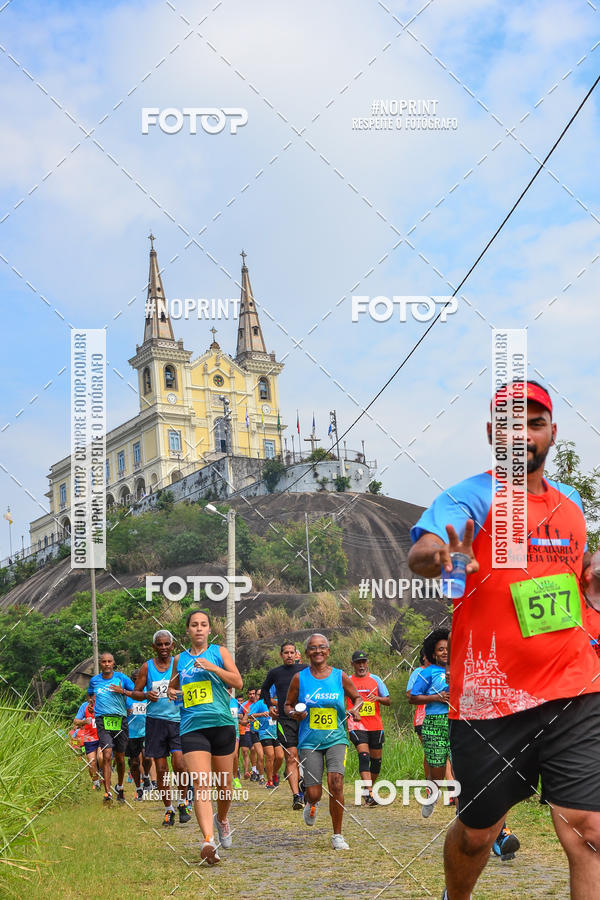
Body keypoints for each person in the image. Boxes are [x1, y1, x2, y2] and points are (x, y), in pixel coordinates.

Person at [408, 379, 600, 900]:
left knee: (589, 829)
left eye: (535, 423)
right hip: (492, 703)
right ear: (494, 433)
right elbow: (426, 548)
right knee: (478, 834)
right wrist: (440, 556)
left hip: (575, 688)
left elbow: (577, 573)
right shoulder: (470, 496)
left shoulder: (573, 503)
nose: (524, 434)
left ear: (552, 432)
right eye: (512, 424)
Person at [168, 609, 243, 865]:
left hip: (221, 724)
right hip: (192, 727)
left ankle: (221, 819)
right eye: (194, 625)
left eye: (203, 625)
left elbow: (238, 682)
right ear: (187, 630)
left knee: (225, 786)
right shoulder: (180, 660)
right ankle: (208, 841)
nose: (199, 629)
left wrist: (213, 667)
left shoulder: (219, 652)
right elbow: (173, 686)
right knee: (201, 783)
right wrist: (171, 692)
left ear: (210, 630)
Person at [285, 633, 363, 851]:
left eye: (322, 647)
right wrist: (293, 714)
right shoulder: (300, 679)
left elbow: (357, 698)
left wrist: (355, 710)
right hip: (309, 741)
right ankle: (311, 803)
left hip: (336, 738)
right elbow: (288, 705)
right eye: (312, 648)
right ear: (307, 653)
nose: (317, 651)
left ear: (328, 651)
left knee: (336, 783)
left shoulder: (340, 676)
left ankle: (337, 835)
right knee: (314, 792)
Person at [134, 631, 191, 825]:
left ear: (173, 645)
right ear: (154, 647)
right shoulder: (147, 667)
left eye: (167, 644)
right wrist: (145, 695)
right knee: (161, 769)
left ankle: (183, 801)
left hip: (178, 720)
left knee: (180, 764)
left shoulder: (180, 665)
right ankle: (169, 810)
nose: (164, 648)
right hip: (155, 721)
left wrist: (180, 693)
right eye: (160, 644)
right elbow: (135, 692)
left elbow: (191, 687)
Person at [88, 652, 142, 802]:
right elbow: (90, 694)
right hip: (102, 720)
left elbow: (135, 693)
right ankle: (107, 792)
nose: (106, 664)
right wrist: (91, 704)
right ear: (100, 663)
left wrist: (124, 694)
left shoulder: (121, 678)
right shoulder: (94, 681)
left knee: (119, 758)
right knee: (106, 754)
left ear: (113, 663)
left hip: (120, 719)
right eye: (103, 661)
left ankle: (120, 786)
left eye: (109, 661)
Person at [408, 629, 450, 818]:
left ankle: (464, 807)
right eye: (440, 649)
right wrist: (437, 697)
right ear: (433, 653)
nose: (445, 652)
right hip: (434, 723)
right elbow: (413, 698)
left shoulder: (461, 668)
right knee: (438, 768)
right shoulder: (428, 672)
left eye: (448, 648)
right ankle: (433, 795)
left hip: (458, 722)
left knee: (463, 767)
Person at [260, 641, 307, 809]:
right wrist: (270, 707)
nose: (289, 655)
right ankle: (296, 796)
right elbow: (264, 690)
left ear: (296, 655)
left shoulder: (305, 670)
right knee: (291, 756)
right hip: (285, 719)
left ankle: (305, 785)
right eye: (285, 652)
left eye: (291, 652)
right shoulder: (275, 673)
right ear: (281, 655)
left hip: (304, 718)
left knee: (307, 756)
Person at [346, 650, 390, 807]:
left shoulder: (376, 679)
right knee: (364, 756)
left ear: (367, 663)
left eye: (363, 662)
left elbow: (388, 700)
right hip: (356, 724)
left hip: (375, 725)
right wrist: (348, 711)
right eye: (358, 663)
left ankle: (366, 790)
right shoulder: (348, 680)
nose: (361, 665)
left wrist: (378, 698)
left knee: (376, 762)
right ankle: (371, 794)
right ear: (353, 664)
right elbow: (339, 701)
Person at [248, 691, 283, 789]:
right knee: (270, 756)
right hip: (264, 733)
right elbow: (250, 716)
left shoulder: (276, 702)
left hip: (276, 733)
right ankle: (270, 781)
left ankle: (273, 773)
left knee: (280, 757)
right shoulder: (260, 703)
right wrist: (261, 714)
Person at [406, 650, 429, 779]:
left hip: (443, 716)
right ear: (424, 656)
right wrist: (430, 696)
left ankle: (451, 791)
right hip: (423, 718)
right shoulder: (418, 672)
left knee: (445, 752)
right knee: (430, 751)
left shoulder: (442, 670)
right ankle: (431, 787)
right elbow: (409, 694)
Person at [73, 694, 103, 789]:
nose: (91, 698)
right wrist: (84, 722)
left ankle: (103, 772)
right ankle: (96, 783)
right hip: (89, 739)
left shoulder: (103, 705)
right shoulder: (84, 706)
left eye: (93, 695)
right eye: (89, 696)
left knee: (101, 757)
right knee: (91, 762)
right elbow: (76, 721)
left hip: (102, 737)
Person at [126, 690, 148, 801]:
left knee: (146, 756)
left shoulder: (147, 692)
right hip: (131, 734)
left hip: (146, 731)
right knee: (134, 763)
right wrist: (125, 711)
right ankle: (139, 789)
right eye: (134, 679)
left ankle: (147, 778)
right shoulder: (126, 696)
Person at [238, 688, 257, 779]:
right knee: (247, 751)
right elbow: (240, 717)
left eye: (253, 694)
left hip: (258, 730)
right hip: (247, 730)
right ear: (248, 695)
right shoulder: (244, 705)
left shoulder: (259, 703)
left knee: (255, 750)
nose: (252, 695)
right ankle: (248, 772)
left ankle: (255, 771)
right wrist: (247, 719)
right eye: (250, 694)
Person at [228, 689, 242, 790]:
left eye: (230, 688)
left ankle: (235, 778)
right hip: (222, 730)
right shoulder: (219, 699)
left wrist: (243, 717)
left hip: (235, 732)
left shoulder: (235, 702)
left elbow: (241, 715)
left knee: (235, 755)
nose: (228, 690)